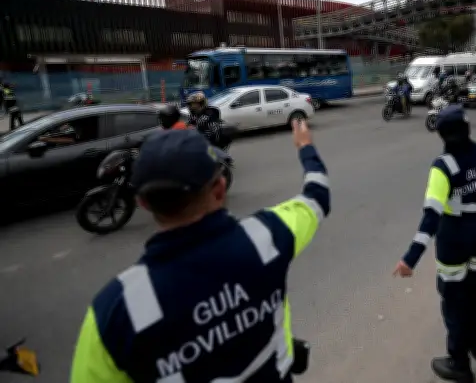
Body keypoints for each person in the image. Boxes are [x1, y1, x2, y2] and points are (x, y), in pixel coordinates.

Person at [70, 119, 329, 382]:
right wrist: (305, 146)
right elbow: (317, 196)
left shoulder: (114, 312)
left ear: (143, 203)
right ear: (219, 189)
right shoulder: (268, 236)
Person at [393, 71, 476, 382]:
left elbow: (431, 217)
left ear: (443, 135)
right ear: (467, 128)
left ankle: (459, 363)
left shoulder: (443, 168)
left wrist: (410, 259)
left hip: (454, 239)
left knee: (454, 300)